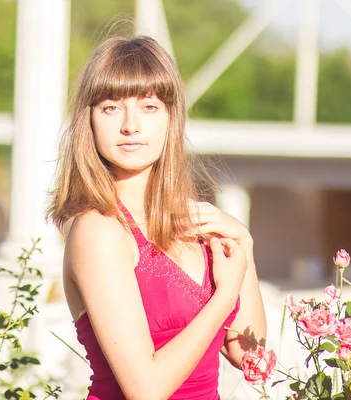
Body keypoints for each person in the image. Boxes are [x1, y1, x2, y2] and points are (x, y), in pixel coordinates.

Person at [47, 35, 267, 400]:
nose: (131, 125)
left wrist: (244, 245)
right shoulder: (99, 230)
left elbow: (251, 357)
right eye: (110, 107)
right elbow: (145, 390)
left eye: (149, 106)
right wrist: (225, 296)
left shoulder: (195, 225)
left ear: (170, 117)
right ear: (89, 120)